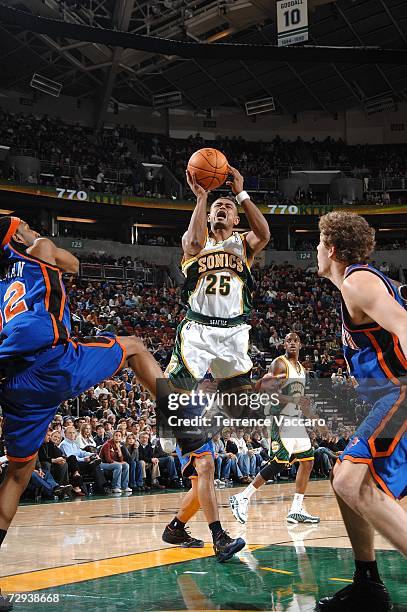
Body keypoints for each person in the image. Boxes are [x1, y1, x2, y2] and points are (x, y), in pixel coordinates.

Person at [0, 216, 169, 608]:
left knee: (17, 475)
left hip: (12, 381)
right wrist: (34, 237)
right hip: (50, 364)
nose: (26, 225)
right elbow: (73, 265)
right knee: (135, 347)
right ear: (14, 234)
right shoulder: (36, 252)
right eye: (22, 223)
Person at [162, 165, 269, 561]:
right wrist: (202, 196)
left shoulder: (244, 244)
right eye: (217, 207)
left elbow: (266, 234)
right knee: (205, 465)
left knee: (212, 459)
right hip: (196, 338)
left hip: (234, 335)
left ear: (237, 216)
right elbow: (190, 241)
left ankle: (175, 528)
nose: (222, 210)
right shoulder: (198, 240)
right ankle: (220, 537)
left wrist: (240, 194)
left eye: (228, 208)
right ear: (209, 214)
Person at [316, 211, 407, 612]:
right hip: (388, 399)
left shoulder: (358, 280)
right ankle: (367, 581)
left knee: (351, 481)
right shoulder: (360, 284)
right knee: (345, 476)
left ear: (332, 249)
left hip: (400, 395)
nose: (315, 250)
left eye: (319, 243)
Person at [229, 332, 321, 525]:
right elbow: (268, 392)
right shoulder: (280, 364)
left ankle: (296, 509)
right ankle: (242, 497)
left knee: (307, 461)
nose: (293, 343)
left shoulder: (302, 369)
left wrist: (314, 419)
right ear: (284, 345)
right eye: (289, 340)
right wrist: (293, 400)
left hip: (295, 420)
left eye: (296, 340)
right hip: (280, 419)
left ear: (301, 344)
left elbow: (300, 400)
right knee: (279, 463)